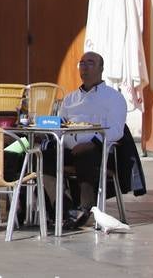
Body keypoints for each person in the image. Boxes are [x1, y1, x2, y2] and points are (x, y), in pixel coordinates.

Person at [45, 51, 128, 229]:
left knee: (85, 153)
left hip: (98, 148)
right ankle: (63, 208)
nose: (85, 67)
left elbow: (117, 130)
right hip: (67, 147)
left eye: (90, 63)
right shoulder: (70, 99)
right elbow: (61, 125)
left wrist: (93, 143)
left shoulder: (114, 98)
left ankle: (85, 208)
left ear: (101, 68)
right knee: (44, 156)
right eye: (82, 63)